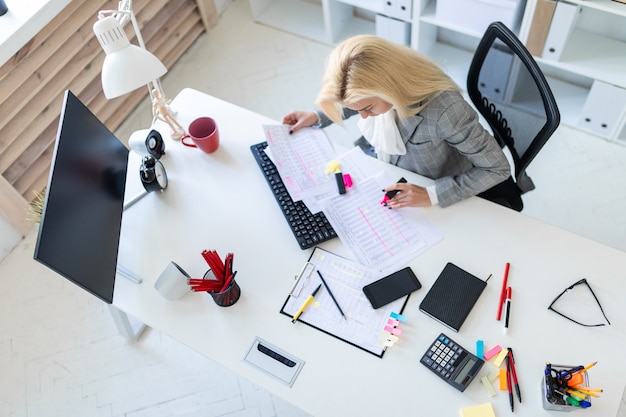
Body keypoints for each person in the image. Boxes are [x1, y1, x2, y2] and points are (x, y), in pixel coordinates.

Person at [282, 35, 511, 209]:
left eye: (368, 109)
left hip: (428, 180)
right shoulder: (388, 70)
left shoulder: (446, 111)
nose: (362, 117)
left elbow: (498, 168)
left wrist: (433, 195)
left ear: (389, 89)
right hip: (389, 162)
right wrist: (316, 116)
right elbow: (355, 97)